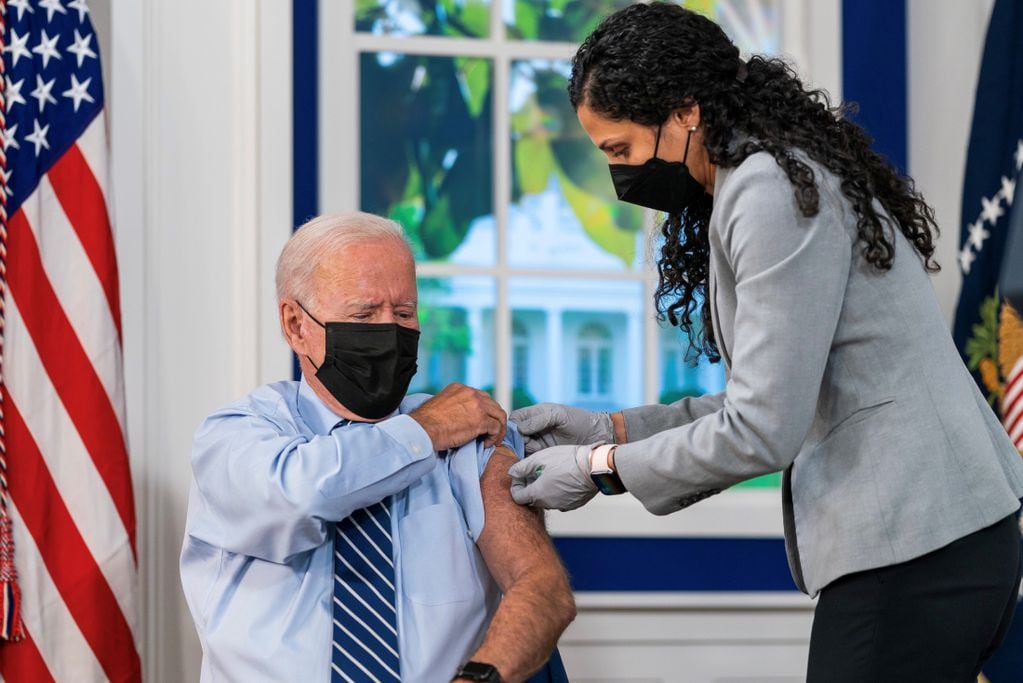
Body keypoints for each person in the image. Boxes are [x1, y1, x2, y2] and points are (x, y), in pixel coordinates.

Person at [506, 3, 1023, 681]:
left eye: (620, 149)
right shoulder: (769, 174)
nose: (619, 175)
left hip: (917, 543)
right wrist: (612, 427)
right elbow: (765, 397)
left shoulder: (767, 190)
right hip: (941, 538)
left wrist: (602, 466)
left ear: (684, 110)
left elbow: (760, 429)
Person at [181, 212, 575, 683]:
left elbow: (542, 587)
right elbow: (302, 494)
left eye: (404, 313)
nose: (389, 332)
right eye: (364, 315)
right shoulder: (236, 434)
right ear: (295, 324)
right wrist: (423, 432)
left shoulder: (469, 434)